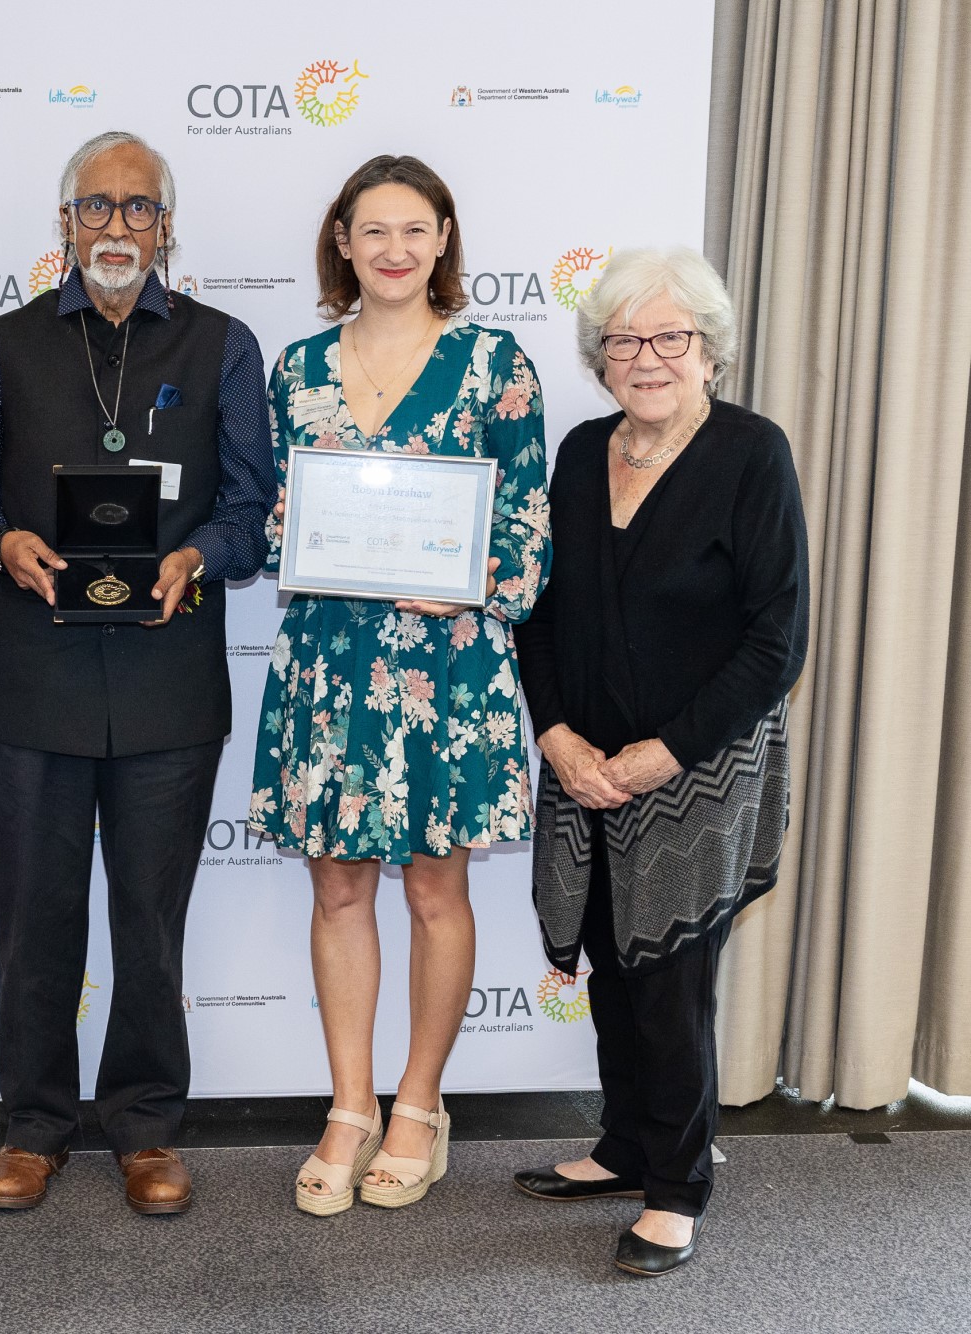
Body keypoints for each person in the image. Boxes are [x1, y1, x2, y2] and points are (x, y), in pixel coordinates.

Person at [0, 130, 277, 1216]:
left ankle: (144, 1127)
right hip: (39, 671)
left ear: (165, 227)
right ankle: (32, 1126)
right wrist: (2, 543)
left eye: (138, 209)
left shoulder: (223, 346)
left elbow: (249, 510)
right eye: (96, 207)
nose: (116, 228)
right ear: (63, 224)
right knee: (34, 912)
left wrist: (200, 556)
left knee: (149, 917)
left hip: (168, 675)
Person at [250, 155, 550, 1215]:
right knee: (336, 885)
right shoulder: (292, 369)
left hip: (444, 669)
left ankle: (418, 1099)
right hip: (330, 665)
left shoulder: (492, 365)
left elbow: (525, 527)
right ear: (340, 240)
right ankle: (347, 1101)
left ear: (442, 237)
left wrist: (465, 578)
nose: (392, 249)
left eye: (413, 229)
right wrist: (296, 536)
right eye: (371, 230)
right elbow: (270, 516)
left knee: (433, 887)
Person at [512, 247, 807, 1277]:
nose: (646, 357)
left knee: (669, 972)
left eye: (668, 337)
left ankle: (676, 1186)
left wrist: (656, 755)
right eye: (624, 339)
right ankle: (627, 1142)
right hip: (582, 761)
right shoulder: (577, 450)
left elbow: (776, 638)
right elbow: (537, 613)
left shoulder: (749, 453)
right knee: (605, 953)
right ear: (599, 357)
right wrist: (555, 735)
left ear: (707, 351)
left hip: (698, 765)